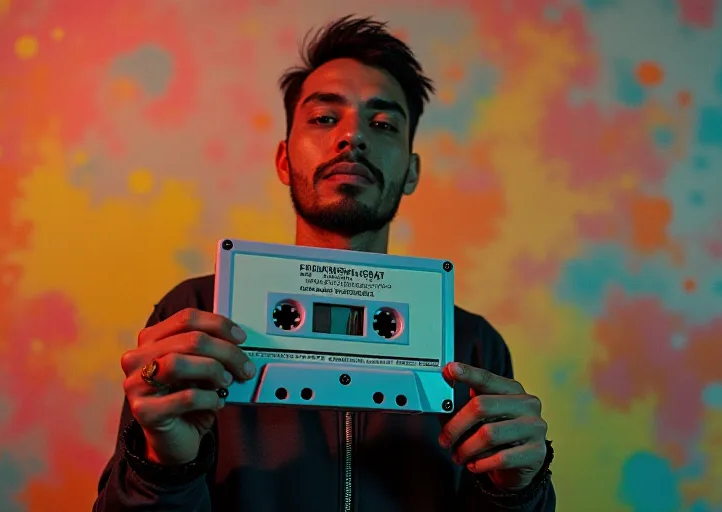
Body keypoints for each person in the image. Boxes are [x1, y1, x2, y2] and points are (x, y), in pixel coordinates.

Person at [94, 14, 556, 512]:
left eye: (382, 124)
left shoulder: (472, 345)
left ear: (411, 172)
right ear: (283, 159)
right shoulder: (194, 318)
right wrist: (162, 465)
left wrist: (517, 491)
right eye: (323, 118)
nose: (352, 137)